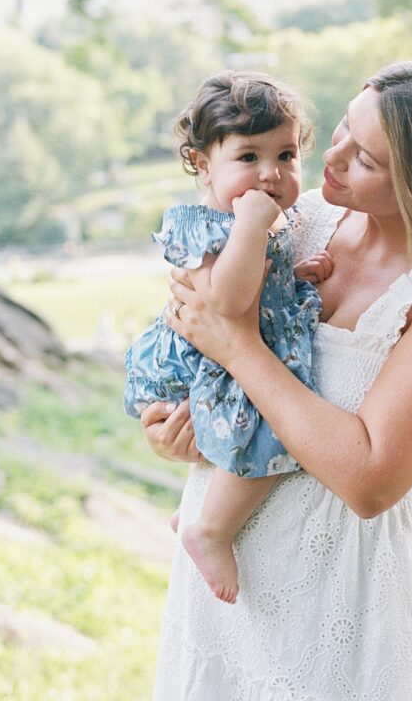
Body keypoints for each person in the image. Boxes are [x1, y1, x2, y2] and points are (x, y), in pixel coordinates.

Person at [142, 57, 412, 701]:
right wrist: (184, 428)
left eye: (366, 160)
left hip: (345, 596)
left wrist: (239, 348)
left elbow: (370, 479)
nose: (330, 159)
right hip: (226, 584)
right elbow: (202, 332)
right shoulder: (300, 221)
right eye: (344, 130)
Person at [124, 70, 332, 604]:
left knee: (270, 419)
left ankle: (199, 509)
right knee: (275, 429)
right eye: (248, 157)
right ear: (203, 165)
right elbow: (229, 302)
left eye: (286, 155)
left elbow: (257, 289)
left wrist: (295, 274)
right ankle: (210, 530)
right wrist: (253, 227)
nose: (270, 174)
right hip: (206, 359)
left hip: (225, 351)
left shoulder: (265, 222)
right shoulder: (206, 227)